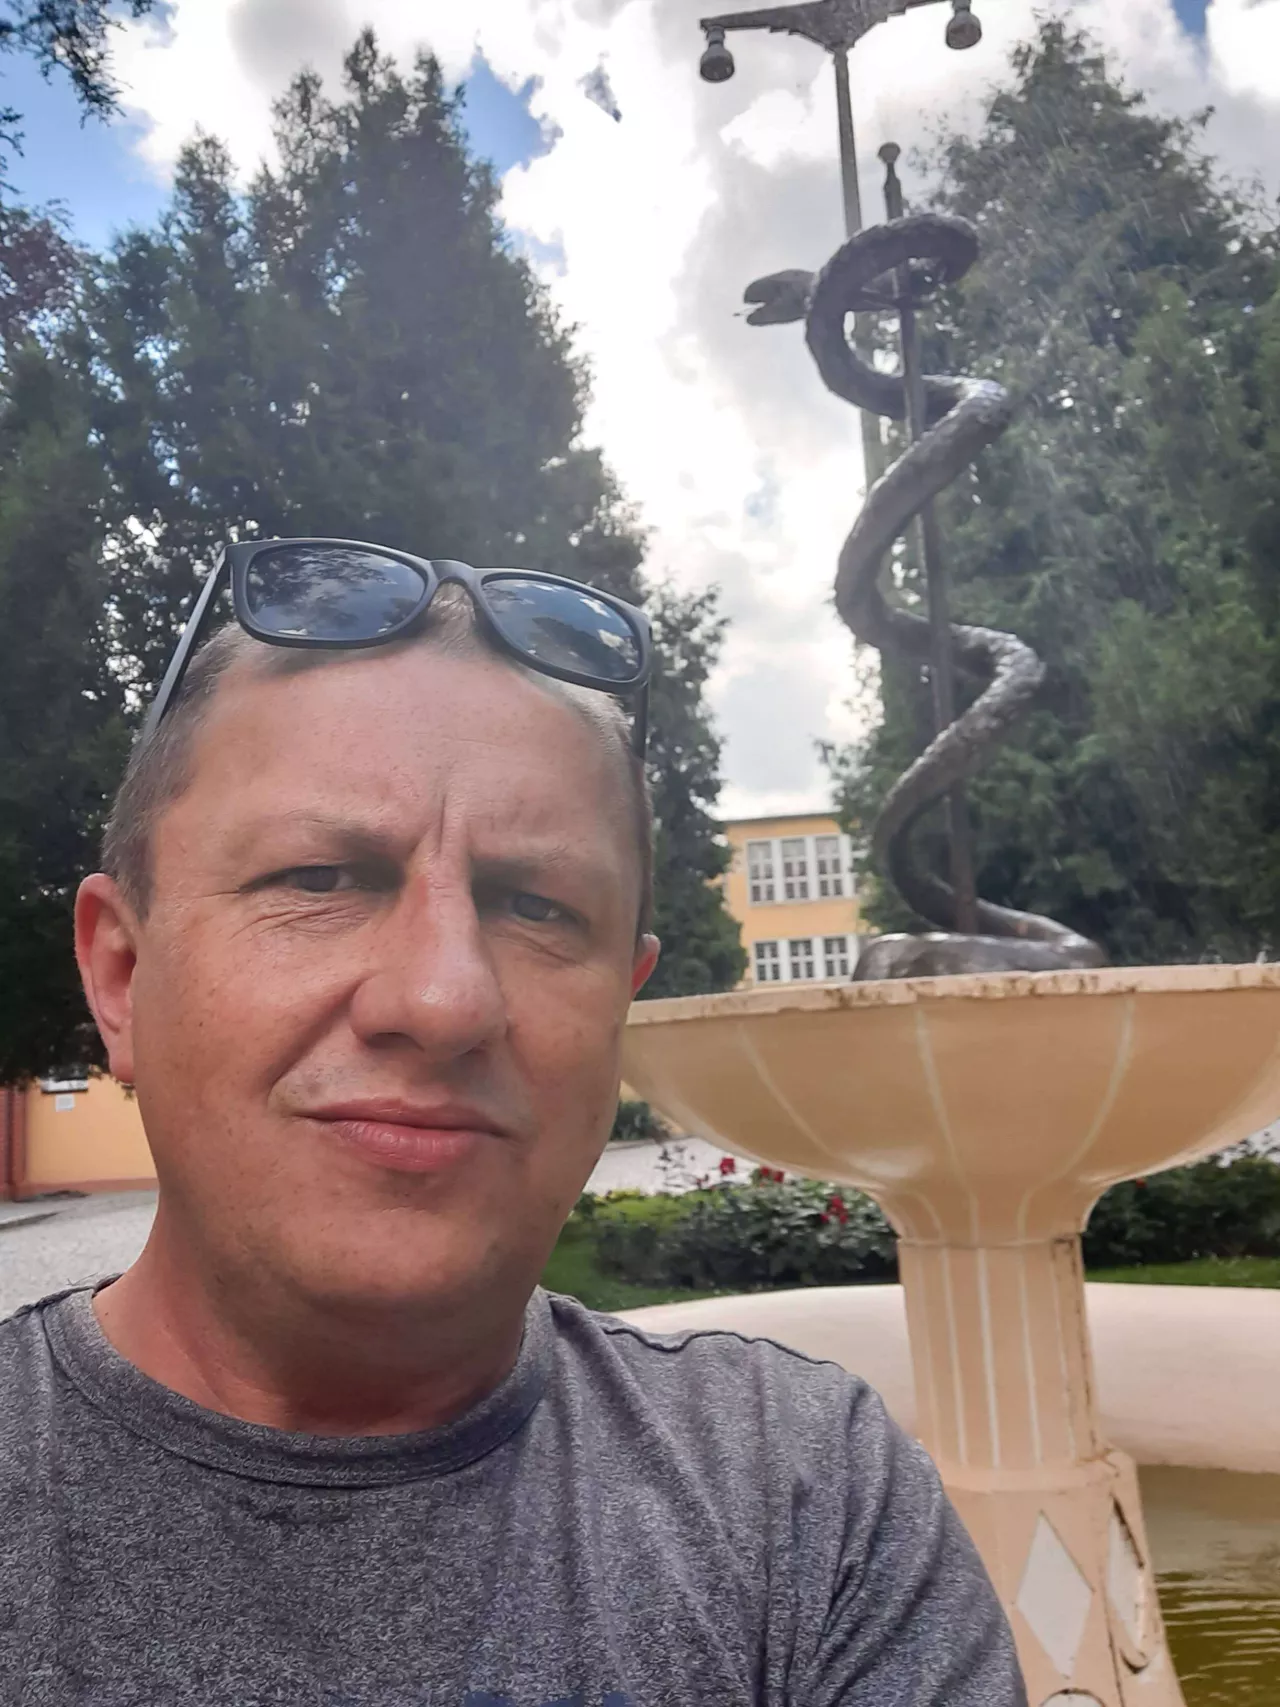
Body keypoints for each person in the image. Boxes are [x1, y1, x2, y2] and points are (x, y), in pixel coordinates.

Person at [0, 540, 1027, 1706]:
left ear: (620, 1004)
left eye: (535, 906)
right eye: (320, 879)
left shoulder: (807, 1505)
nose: (445, 1000)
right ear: (122, 976)